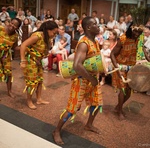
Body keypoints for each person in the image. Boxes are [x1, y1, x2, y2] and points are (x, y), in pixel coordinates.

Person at [52, 16, 103, 145]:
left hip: (92, 80)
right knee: (72, 109)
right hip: (82, 80)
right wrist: (91, 79)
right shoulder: (84, 43)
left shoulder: (95, 41)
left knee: (96, 104)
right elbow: (77, 65)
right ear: (88, 27)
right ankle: (56, 131)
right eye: (95, 24)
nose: (98, 26)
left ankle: (89, 125)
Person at [20, 21, 58, 109]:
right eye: (54, 32)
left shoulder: (47, 37)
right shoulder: (37, 36)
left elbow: (43, 51)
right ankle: (29, 101)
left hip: (38, 61)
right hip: (30, 61)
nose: (54, 35)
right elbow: (23, 45)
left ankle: (39, 99)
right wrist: (22, 61)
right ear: (48, 30)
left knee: (40, 80)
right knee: (31, 82)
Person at [110, 26, 143, 120]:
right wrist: (117, 68)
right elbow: (112, 54)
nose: (137, 34)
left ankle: (118, 107)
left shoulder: (138, 40)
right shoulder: (123, 38)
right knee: (123, 90)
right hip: (120, 66)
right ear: (131, 29)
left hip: (131, 68)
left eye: (139, 32)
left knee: (129, 91)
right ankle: (119, 111)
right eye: (135, 31)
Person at [0, 18, 22, 98]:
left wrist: (24, 47)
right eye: (12, 23)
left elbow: (15, 47)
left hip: (6, 55)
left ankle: (9, 91)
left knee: (8, 73)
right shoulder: (1, 28)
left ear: (17, 28)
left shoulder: (15, 36)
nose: (12, 26)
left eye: (15, 25)